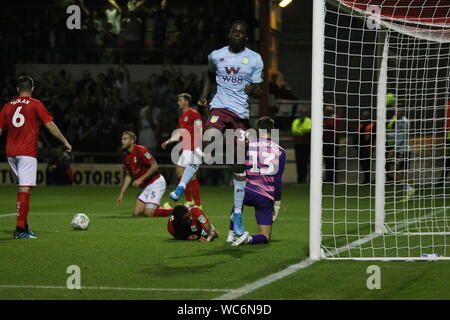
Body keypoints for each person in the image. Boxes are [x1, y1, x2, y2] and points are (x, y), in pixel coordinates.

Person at [169, 20, 263, 237]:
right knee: (209, 140)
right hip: (219, 107)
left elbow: (259, 90)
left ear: (246, 37)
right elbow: (209, 76)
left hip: (241, 115)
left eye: (241, 32)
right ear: (229, 34)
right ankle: (181, 185)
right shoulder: (216, 55)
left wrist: (252, 89)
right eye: (234, 31)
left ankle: (237, 214)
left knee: (238, 164)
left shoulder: (255, 59)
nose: (237, 34)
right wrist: (204, 95)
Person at [0, 75, 72, 239]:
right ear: (32, 89)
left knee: (23, 189)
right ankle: (20, 230)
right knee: (24, 189)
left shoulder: (7, 106)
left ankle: (24, 225)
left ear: (18, 89)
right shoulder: (35, 104)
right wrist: (64, 141)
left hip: (11, 153)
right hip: (26, 152)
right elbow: (50, 125)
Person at [231, 117, 286, 246]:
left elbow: (239, 168)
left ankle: (232, 233)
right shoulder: (280, 151)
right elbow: (277, 180)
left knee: (237, 203)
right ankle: (249, 239)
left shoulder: (248, 146)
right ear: (272, 130)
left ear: (257, 129)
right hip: (265, 196)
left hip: (247, 191)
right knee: (265, 237)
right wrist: (277, 202)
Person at [116, 131, 172, 217]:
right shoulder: (125, 156)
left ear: (132, 141)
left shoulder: (141, 150)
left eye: (125, 139)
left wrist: (140, 179)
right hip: (145, 186)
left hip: (156, 182)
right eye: (122, 139)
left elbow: (154, 166)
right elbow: (128, 175)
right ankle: (158, 207)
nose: (122, 141)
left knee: (149, 213)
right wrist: (122, 193)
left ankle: (172, 210)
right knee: (136, 213)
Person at [161, 93, 203, 208]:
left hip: (193, 147)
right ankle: (194, 202)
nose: (178, 102)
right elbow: (180, 132)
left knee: (182, 172)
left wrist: (199, 148)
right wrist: (169, 141)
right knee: (189, 175)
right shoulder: (182, 116)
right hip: (186, 147)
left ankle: (194, 202)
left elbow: (200, 130)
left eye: (180, 100)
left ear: (187, 102)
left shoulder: (194, 114)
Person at [387, 107, 415, 201]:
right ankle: (409, 190)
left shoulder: (403, 122)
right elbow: (396, 134)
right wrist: (386, 134)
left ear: (402, 113)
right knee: (397, 172)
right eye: (396, 111)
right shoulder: (399, 121)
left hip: (402, 151)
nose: (396, 113)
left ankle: (409, 190)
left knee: (394, 171)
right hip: (402, 150)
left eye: (398, 112)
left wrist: (394, 149)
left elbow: (401, 137)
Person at [323, 104, 343, 183]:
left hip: (333, 142)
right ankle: (329, 177)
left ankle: (333, 178)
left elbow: (334, 128)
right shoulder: (326, 118)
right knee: (327, 160)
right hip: (326, 142)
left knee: (333, 160)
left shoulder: (336, 118)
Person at [291, 107, 311, 183]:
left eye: (303, 112)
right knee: (299, 161)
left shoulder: (309, 120)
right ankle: (299, 178)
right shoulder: (296, 121)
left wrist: (300, 130)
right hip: (298, 144)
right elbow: (294, 130)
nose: (301, 114)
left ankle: (304, 178)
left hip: (306, 144)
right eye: (300, 112)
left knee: (305, 161)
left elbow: (308, 129)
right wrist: (302, 131)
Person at [358, 110, 376, 184]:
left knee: (368, 163)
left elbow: (373, 136)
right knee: (363, 163)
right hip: (361, 147)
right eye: (363, 116)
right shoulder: (361, 125)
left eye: (365, 116)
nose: (363, 117)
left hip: (369, 147)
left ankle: (370, 179)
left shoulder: (372, 125)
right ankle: (367, 179)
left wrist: (369, 145)